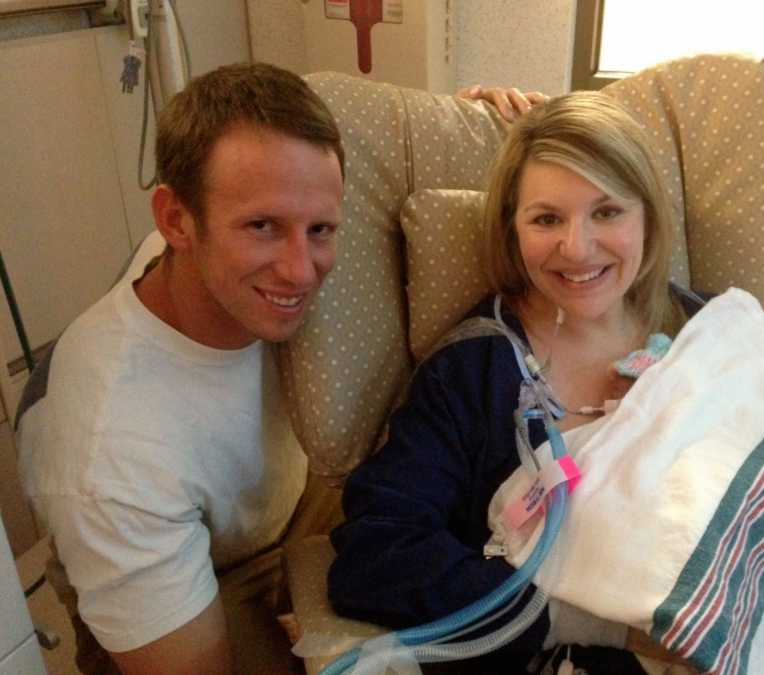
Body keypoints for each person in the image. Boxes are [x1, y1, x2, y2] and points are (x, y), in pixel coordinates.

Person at [327, 91, 705, 674]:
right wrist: (597, 625)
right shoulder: (469, 375)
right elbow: (377, 553)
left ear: (648, 217)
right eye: (547, 218)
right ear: (512, 231)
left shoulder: (712, 335)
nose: (577, 247)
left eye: (607, 211)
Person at [16, 62, 344, 675]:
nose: (302, 271)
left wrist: (488, 117)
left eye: (321, 229)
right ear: (175, 221)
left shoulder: (236, 221)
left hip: (285, 506)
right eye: (263, 227)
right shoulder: (110, 459)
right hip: (207, 579)